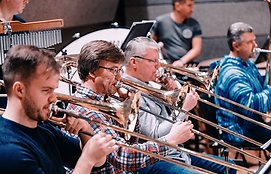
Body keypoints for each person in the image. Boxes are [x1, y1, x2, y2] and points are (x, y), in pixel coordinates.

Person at [65, 40, 194, 173]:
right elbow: (122, 157)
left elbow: (130, 141)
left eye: (120, 70)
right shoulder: (86, 109)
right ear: (92, 71)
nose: (119, 77)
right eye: (114, 70)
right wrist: (170, 140)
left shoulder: (105, 100)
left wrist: (130, 112)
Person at [124, 36, 236, 174]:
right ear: (134, 62)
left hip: (176, 151)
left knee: (229, 166)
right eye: (153, 61)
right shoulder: (127, 93)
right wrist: (183, 108)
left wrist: (173, 93)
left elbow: (169, 117)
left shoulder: (150, 83)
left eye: (158, 60)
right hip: (156, 159)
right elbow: (156, 134)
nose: (158, 66)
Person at [0, 45, 118, 173]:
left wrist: (85, 129)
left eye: (54, 90)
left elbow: (98, 163)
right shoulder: (9, 150)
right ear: (20, 90)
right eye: (46, 90)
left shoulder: (44, 130)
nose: (54, 99)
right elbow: (89, 161)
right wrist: (87, 159)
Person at [214, 22, 271, 145]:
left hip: (251, 124)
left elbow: (261, 91)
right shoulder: (232, 72)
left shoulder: (248, 64)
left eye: (254, 40)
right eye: (249, 42)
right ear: (236, 46)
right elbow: (249, 107)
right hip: (239, 130)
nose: (255, 45)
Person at [151, 0, 202, 67]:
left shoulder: (194, 24)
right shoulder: (161, 22)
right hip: (166, 65)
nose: (192, 9)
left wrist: (182, 61)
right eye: (189, 5)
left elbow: (196, 49)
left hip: (186, 64)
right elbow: (151, 43)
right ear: (178, 6)